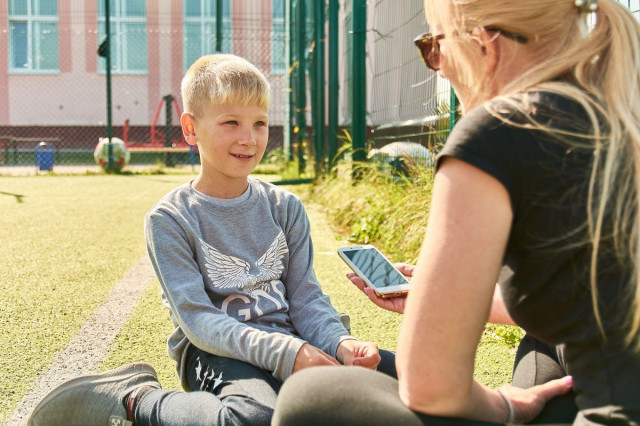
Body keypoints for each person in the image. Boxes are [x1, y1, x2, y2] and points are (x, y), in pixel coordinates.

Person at [272, 0, 640, 424]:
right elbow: (584, 299)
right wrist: (441, 296)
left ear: (484, 44)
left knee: (312, 397)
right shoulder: (616, 112)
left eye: (434, 45)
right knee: (540, 347)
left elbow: (430, 386)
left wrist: (506, 405)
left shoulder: (500, 131)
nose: (438, 67)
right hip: (592, 371)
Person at [28, 54, 390, 426]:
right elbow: (199, 321)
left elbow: (306, 299)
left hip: (293, 340)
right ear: (190, 129)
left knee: (406, 381)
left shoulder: (286, 207)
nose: (248, 138)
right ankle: (137, 400)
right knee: (255, 417)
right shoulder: (170, 219)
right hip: (216, 351)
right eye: (231, 122)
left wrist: (340, 343)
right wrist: (290, 354)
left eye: (259, 123)